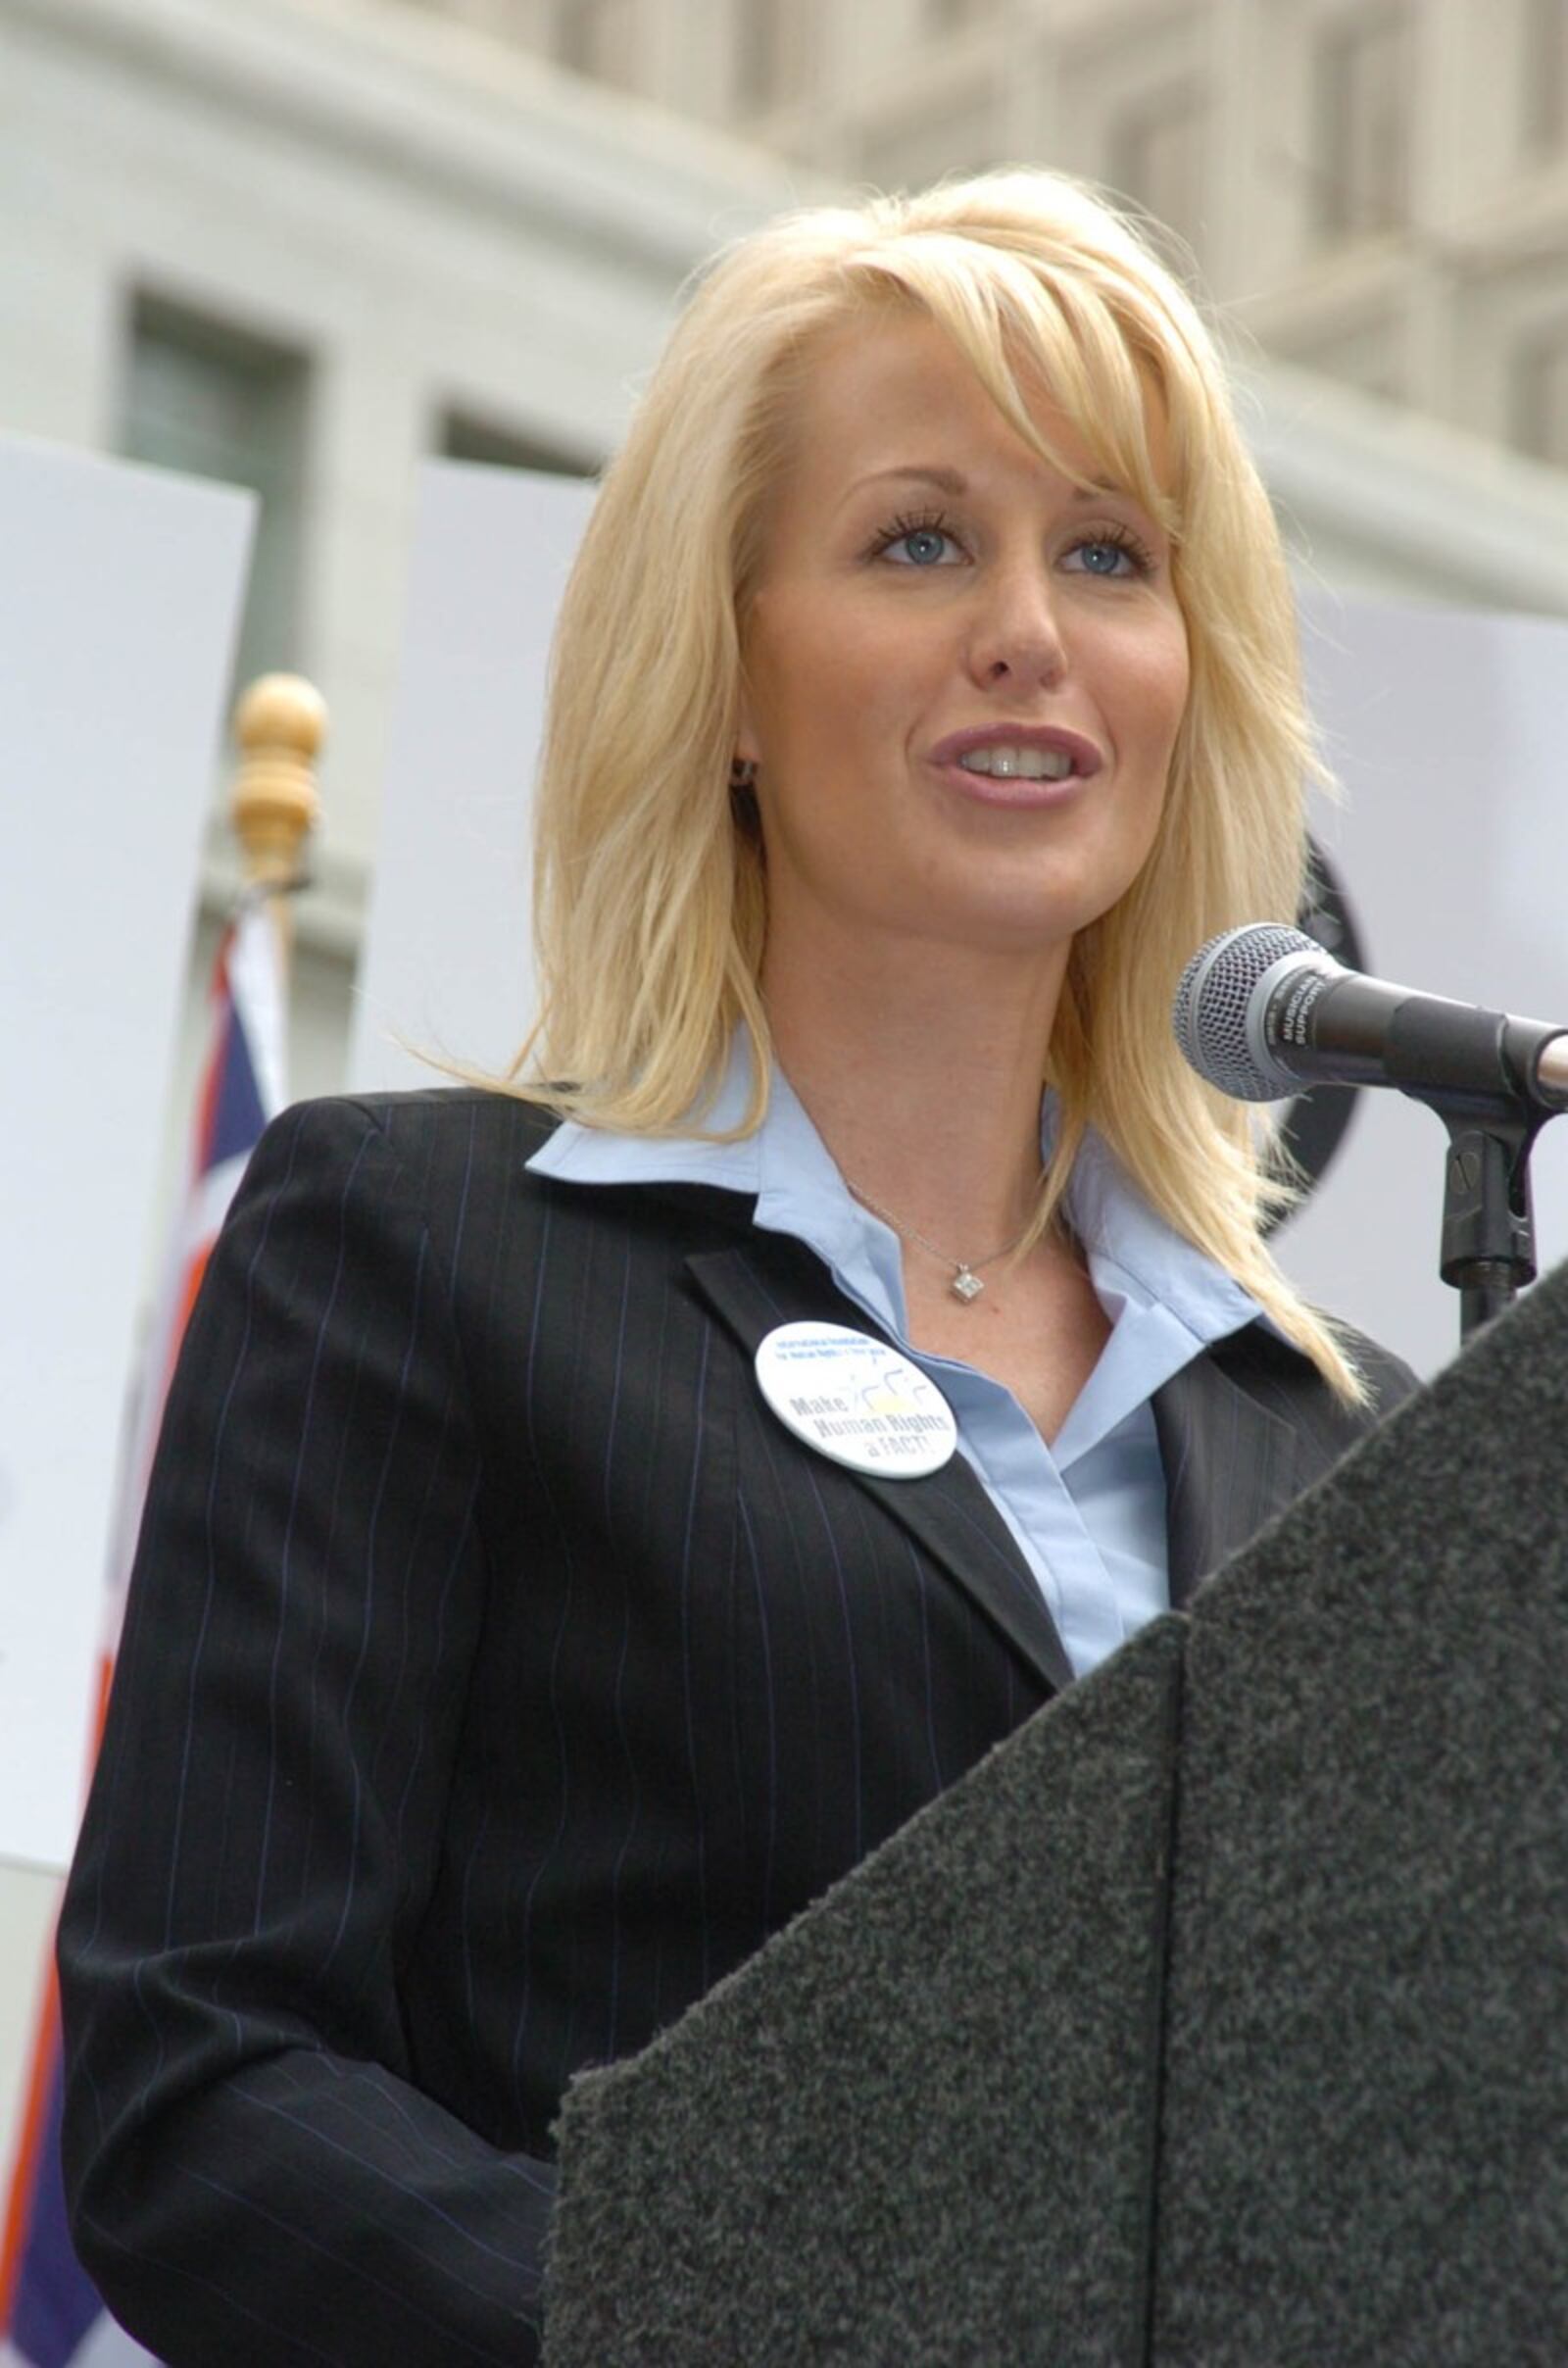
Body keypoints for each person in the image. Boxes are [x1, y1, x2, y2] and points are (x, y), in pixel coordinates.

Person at [57, 168, 1415, 2365]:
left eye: (1105, 553)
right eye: (914, 539)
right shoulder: (412, 1249)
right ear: (723, 678)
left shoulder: (1350, 1433)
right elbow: (202, 2092)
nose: (1026, 628)